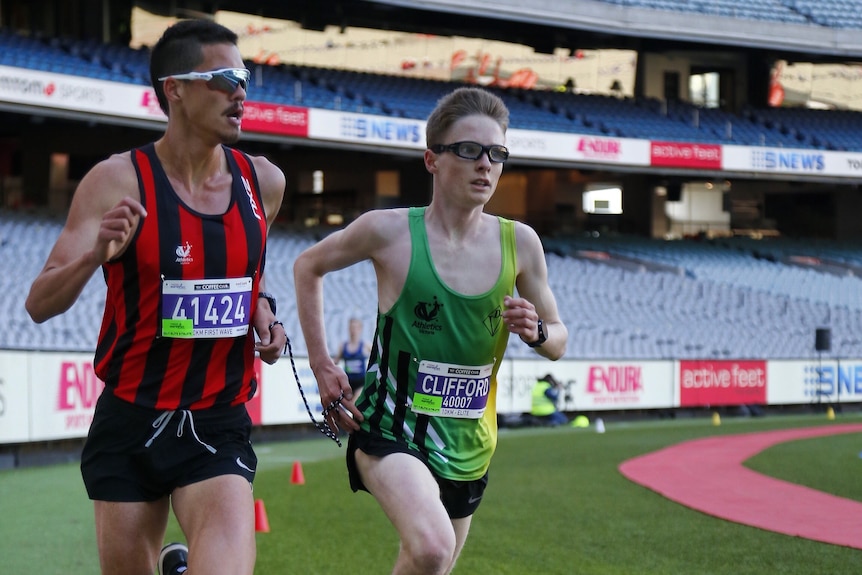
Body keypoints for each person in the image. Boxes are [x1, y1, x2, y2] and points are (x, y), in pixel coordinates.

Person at [24, 19, 286, 575]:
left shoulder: (264, 182)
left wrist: (264, 312)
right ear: (175, 88)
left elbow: (248, 274)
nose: (240, 91)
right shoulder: (117, 181)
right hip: (131, 421)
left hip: (216, 421)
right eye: (222, 77)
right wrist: (97, 251)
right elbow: (39, 303)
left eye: (244, 76)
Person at [294, 86, 567, 575]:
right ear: (432, 160)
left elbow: (560, 341)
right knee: (433, 548)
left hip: (471, 446)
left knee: (427, 565)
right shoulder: (390, 231)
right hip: (390, 431)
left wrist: (538, 330)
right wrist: (321, 364)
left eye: (497, 153)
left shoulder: (521, 244)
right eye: (469, 150)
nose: (486, 164)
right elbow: (308, 266)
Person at [332, 317, 372, 395]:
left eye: (355, 328)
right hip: (347, 383)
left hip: (361, 383)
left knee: (354, 403)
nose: (353, 330)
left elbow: (378, 357)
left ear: (360, 329)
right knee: (348, 405)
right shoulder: (343, 346)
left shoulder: (366, 345)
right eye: (351, 327)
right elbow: (335, 362)